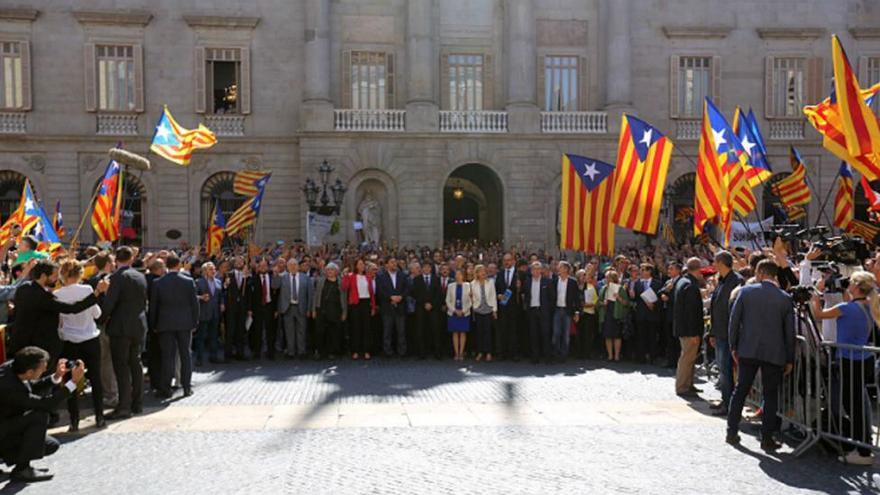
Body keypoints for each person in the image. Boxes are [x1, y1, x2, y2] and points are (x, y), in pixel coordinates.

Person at [811, 270, 879, 465]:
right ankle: (862, 447)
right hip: (863, 359)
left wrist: (817, 292)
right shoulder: (869, 306)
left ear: (856, 287)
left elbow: (818, 314)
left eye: (850, 283)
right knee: (857, 405)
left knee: (853, 406)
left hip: (849, 360)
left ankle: (863, 451)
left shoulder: (846, 308)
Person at [727, 259, 795, 452]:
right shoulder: (784, 298)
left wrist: (734, 346)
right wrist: (789, 358)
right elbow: (789, 332)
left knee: (740, 390)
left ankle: (731, 431)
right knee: (770, 394)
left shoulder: (746, 292)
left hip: (748, 349)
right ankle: (766, 438)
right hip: (774, 352)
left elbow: (734, 321)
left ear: (760, 273)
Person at [0, 347, 84, 482]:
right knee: (39, 415)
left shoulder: (13, 367)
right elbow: (45, 404)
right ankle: (22, 469)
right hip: (3, 428)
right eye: (42, 369)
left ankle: (10, 456)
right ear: (30, 371)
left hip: (7, 424)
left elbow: (30, 386)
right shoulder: (9, 387)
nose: (44, 370)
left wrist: (56, 377)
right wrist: (73, 382)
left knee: (50, 445)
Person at [10, 260, 108, 365]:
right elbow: (73, 308)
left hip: (20, 342)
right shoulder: (43, 297)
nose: (57, 279)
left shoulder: (24, 288)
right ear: (43, 276)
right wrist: (97, 292)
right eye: (54, 276)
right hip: (37, 347)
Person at [55, 260, 104, 431]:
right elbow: (97, 314)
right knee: (96, 378)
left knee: (71, 380)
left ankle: (74, 420)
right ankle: (99, 417)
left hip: (69, 341)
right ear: (80, 274)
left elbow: (60, 320)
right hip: (90, 338)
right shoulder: (87, 290)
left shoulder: (58, 294)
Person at [100, 246, 148, 420]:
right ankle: (138, 403)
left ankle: (124, 407)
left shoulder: (117, 278)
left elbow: (109, 304)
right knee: (135, 364)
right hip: (138, 325)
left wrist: (100, 319)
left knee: (121, 367)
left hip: (120, 327)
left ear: (116, 260)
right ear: (131, 259)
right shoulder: (140, 276)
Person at [149, 255, 200, 399]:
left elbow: (154, 306)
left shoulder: (158, 283)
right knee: (185, 355)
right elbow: (194, 304)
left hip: (165, 324)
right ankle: (186, 387)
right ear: (178, 265)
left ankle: (165, 389)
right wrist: (195, 322)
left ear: (166, 265)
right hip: (185, 323)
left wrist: (153, 324)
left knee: (167, 357)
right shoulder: (188, 281)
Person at [708, 251, 743, 416]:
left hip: (729, 334)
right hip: (720, 332)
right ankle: (725, 399)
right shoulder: (722, 281)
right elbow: (716, 307)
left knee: (727, 370)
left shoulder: (736, 281)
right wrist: (712, 333)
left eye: (715, 262)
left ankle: (729, 405)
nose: (713, 265)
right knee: (723, 370)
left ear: (721, 263)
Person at [673, 258, 705, 397]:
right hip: (689, 330)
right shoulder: (690, 285)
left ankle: (688, 384)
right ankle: (682, 387)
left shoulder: (682, 281)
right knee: (687, 358)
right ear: (697, 269)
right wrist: (693, 333)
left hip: (683, 327)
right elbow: (691, 311)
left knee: (690, 358)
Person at [277, 258, 315, 359]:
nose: (293, 267)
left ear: (298, 266)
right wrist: (276, 274)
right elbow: (275, 287)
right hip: (287, 307)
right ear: (287, 267)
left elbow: (310, 295)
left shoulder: (305, 278)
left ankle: (301, 352)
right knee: (289, 331)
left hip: (301, 307)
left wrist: (309, 309)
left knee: (302, 331)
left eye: (295, 265)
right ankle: (291, 352)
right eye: (291, 265)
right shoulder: (283, 278)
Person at [312, 263, 347, 359]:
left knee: (334, 332)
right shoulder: (320, 281)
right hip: (321, 309)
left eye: (332, 270)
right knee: (320, 332)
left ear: (336, 271)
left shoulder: (341, 282)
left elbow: (344, 298)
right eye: (328, 270)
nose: (330, 272)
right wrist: (313, 309)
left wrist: (344, 312)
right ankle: (319, 351)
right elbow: (315, 296)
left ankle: (332, 352)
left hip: (335, 310)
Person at [376, 257, 409, 358]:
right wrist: (390, 298)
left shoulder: (403, 275)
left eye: (395, 262)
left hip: (400, 307)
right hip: (387, 307)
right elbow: (380, 291)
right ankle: (387, 352)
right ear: (386, 265)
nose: (394, 264)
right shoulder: (381, 277)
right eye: (392, 262)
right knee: (387, 331)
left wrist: (401, 297)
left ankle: (402, 352)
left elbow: (407, 289)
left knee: (401, 331)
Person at [630, 263, 663, 364]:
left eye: (643, 269)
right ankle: (641, 357)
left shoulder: (657, 283)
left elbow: (661, 298)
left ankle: (653, 357)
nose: (641, 271)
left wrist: (655, 305)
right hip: (641, 314)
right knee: (641, 336)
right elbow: (635, 299)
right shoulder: (638, 283)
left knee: (652, 336)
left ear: (649, 271)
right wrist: (631, 295)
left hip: (652, 313)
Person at [522, 261, 552, 364]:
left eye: (538, 269)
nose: (536, 271)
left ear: (542, 270)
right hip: (532, 311)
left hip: (543, 311)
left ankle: (547, 357)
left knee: (545, 334)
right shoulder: (527, 282)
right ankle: (535, 357)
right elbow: (526, 296)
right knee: (533, 335)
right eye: (534, 269)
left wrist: (548, 310)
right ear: (531, 271)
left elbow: (551, 298)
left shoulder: (547, 281)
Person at [549, 261, 579, 362]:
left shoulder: (572, 282)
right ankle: (555, 354)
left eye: (560, 267)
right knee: (556, 333)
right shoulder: (554, 281)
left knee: (566, 335)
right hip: (557, 310)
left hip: (567, 311)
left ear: (566, 269)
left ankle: (564, 355)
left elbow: (576, 298)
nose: (558, 268)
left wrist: (577, 312)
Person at [412, 260, 443, 359]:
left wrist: (431, 304)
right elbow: (415, 294)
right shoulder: (417, 279)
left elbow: (438, 294)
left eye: (428, 267)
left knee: (435, 330)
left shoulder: (436, 279)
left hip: (433, 308)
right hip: (421, 308)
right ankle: (421, 353)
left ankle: (437, 353)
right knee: (420, 330)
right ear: (422, 268)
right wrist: (424, 303)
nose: (426, 269)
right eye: (424, 267)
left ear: (431, 268)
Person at [194, 262, 223, 366]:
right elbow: (193, 296)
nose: (213, 271)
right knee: (201, 337)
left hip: (215, 313)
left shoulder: (218, 282)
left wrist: (222, 304)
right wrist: (201, 297)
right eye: (211, 269)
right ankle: (199, 358)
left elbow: (220, 296)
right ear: (205, 271)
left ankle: (213, 356)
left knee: (214, 336)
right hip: (204, 312)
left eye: (214, 269)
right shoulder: (198, 282)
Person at [247, 259, 277, 360]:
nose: (263, 268)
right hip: (257, 307)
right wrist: (250, 308)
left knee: (270, 330)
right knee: (257, 330)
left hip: (270, 306)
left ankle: (270, 353)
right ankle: (257, 352)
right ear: (258, 267)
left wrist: (276, 309)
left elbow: (277, 294)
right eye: (261, 266)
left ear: (268, 267)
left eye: (265, 266)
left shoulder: (273, 277)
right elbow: (250, 295)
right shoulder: (253, 278)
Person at [599, 270, 629, 361]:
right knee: (608, 335)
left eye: (608, 277)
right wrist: (603, 303)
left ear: (613, 278)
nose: (606, 279)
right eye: (606, 277)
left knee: (617, 336)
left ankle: (617, 356)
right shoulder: (604, 288)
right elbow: (599, 302)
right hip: (607, 314)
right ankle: (610, 355)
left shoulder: (620, 288)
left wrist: (619, 298)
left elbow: (626, 303)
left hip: (616, 314)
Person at [495, 253, 520, 360]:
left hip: (515, 307)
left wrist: (520, 288)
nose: (506, 262)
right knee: (503, 330)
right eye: (505, 260)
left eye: (509, 260)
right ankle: (502, 353)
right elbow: (496, 288)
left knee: (514, 331)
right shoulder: (500, 274)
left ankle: (513, 354)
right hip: (503, 307)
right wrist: (498, 295)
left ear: (513, 261)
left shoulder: (519, 274)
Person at [470, 264, 497, 362]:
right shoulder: (472, 284)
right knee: (479, 332)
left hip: (488, 309)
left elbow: (493, 296)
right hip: (478, 310)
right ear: (477, 273)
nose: (483, 273)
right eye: (481, 271)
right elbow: (471, 298)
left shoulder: (490, 282)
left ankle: (489, 352)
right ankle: (480, 352)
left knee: (488, 332)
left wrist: (494, 310)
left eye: (484, 271)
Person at [224, 256, 249, 360]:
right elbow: (224, 288)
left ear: (244, 263)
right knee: (230, 330)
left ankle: (240, 353)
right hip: (231, 307)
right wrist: (226, 284)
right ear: (234, 263)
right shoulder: (228, 274)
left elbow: (249, 292)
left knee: (240, 330)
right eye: (237, 261)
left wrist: (246, 277)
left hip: (242, 307)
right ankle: (228, 353)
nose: (239, 263)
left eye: (241, 261)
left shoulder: (247, 275)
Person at [446, 269, 472, 361]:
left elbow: (470, 301)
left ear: (463, 275)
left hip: (464, 313)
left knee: (463, 332)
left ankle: (461, 353)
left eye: (459, 274)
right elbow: (447, 300)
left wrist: (464, 311)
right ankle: (456, 353)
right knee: (455, 332)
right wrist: (454, 310)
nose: (458, 276)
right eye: (456, 274)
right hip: (453, 313)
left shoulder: (468, 285)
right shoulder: (450, 286)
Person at [577, 268, 600, 360]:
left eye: (584, 275)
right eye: (582, 275)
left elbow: (595, 301)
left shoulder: (590, 286)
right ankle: (579, 353)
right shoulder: (575, 286)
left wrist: (588, 305)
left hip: (588, 313)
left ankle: (587, 353)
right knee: (579, 334)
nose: (583, 277)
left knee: (588, 334)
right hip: (578, 313)